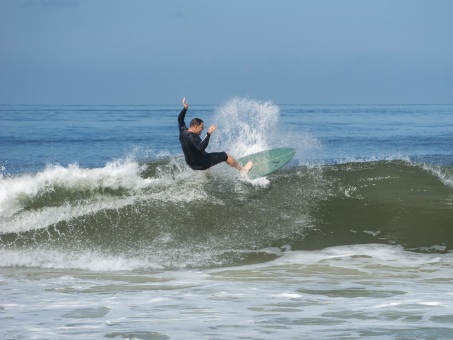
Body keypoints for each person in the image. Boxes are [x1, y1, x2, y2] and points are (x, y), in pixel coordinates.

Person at [178, 97, 253, 174]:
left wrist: (185, 108)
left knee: (205, 154)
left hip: (191, 165)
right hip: (202, 164)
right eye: (201, 127)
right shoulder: (193, 137)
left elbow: (180, 119)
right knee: (225, 155)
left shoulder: (183, 131)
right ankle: (243, 170)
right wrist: (208, 134)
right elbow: (201, 147)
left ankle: (208, 176)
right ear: (196, 127)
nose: (203, 129)